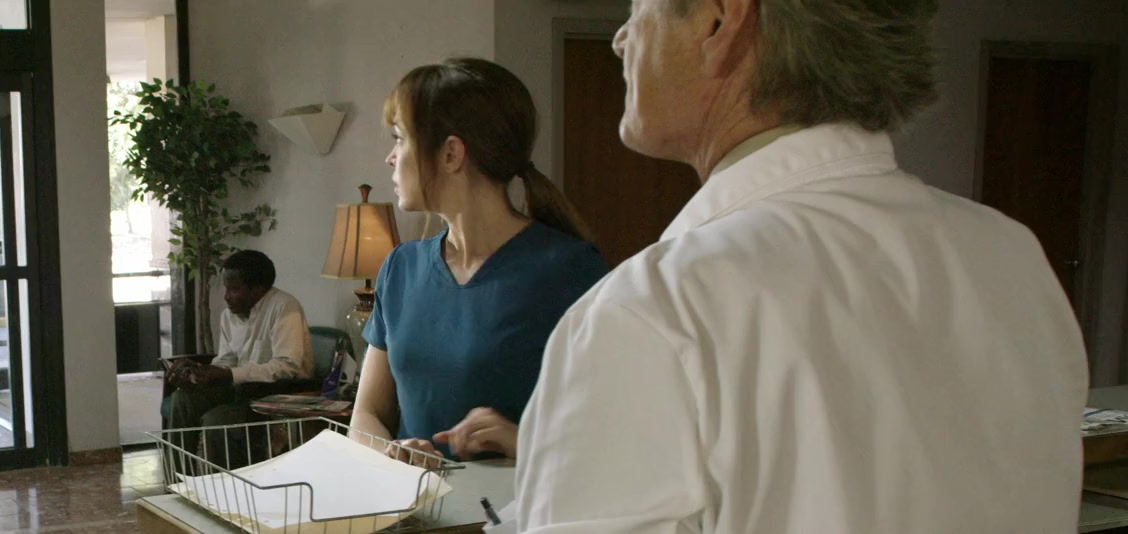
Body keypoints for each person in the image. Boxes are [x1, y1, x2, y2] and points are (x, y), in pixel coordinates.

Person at [514, 1, 1089, 532]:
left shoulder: (656, 311)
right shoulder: (1011, 256)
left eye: (642, 6)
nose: (621, 38)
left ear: (719, 22)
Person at [349, 57, 608, 463]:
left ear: (451, 154)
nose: (390, 158)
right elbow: (366, 415)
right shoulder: (401, 267)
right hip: (414, 504)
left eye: (399, 139)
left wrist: (524, 442)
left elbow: (616, 431)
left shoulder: (571, 271)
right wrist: (393, 453)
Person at [164, 249, 313, 461]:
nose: (226, 296)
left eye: (234, 289)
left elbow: (287, 367)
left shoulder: (284, 308)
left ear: (258, 289)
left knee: (217, 420)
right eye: (227, 288)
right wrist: (200, 373)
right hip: (241, 389)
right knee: (182, 400)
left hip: (277, 393)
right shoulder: (229, 315)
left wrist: (229, 374)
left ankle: (223, 481)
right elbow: (227, 360)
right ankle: (180, 476)